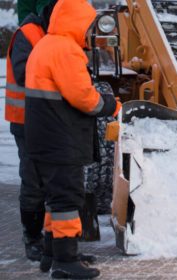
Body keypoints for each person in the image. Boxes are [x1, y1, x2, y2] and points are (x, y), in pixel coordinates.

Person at [24, 0, 121, 277]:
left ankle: (52, 254)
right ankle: (66, 263)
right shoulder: (66, 50)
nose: (91, 32)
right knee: (67, 199)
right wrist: (111, 104)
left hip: (44, 138)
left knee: (55, 199)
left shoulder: (46, 44)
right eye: (89, 26)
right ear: (77, 22)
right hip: (60, 139)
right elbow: (84, 99)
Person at [5, 0, 56, 262]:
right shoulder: (27, 34)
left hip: (51, 120)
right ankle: (32, 239)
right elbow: (27, 73)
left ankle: (53, 240)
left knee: (54, 183)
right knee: (34, 183)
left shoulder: (57, 35)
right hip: (26, 121)